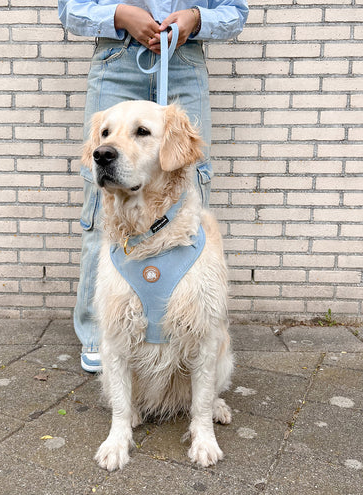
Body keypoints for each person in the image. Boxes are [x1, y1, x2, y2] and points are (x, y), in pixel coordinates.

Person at [58, 1, 249, 372]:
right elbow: (71, 8)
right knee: (104, 205)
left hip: (184, 58)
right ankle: (104, 332)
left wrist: (196, 18)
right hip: (117, 59)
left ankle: (188, 329)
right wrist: (118, 15)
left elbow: (234, 11)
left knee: (188, 200)